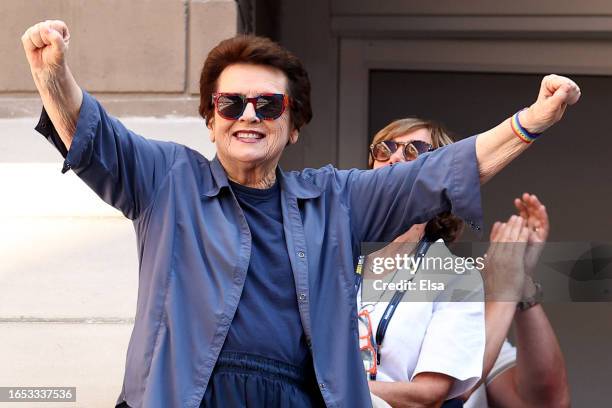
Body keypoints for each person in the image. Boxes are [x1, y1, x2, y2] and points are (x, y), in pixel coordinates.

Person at [21, 18, 580, 408]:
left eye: (269, 105)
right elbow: (94, 137)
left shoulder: (334, 199)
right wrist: (50, 72)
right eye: (230, 103)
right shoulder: (169, 180)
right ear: (211, 120)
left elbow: (436, 174)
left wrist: (532, 121)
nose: (249, 115)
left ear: (293, 127)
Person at [359, 119, 486, 408]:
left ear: (442, 178)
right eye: (384, 149)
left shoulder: (455, 276)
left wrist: (333, 391)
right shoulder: (335, 251)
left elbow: (426, 397)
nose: (394, 157)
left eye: (413, 151)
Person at [465, 194, 570, 408]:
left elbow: (548, 403)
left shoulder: (458, 313)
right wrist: (504, 290)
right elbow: (441, 392)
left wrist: (520, 284)